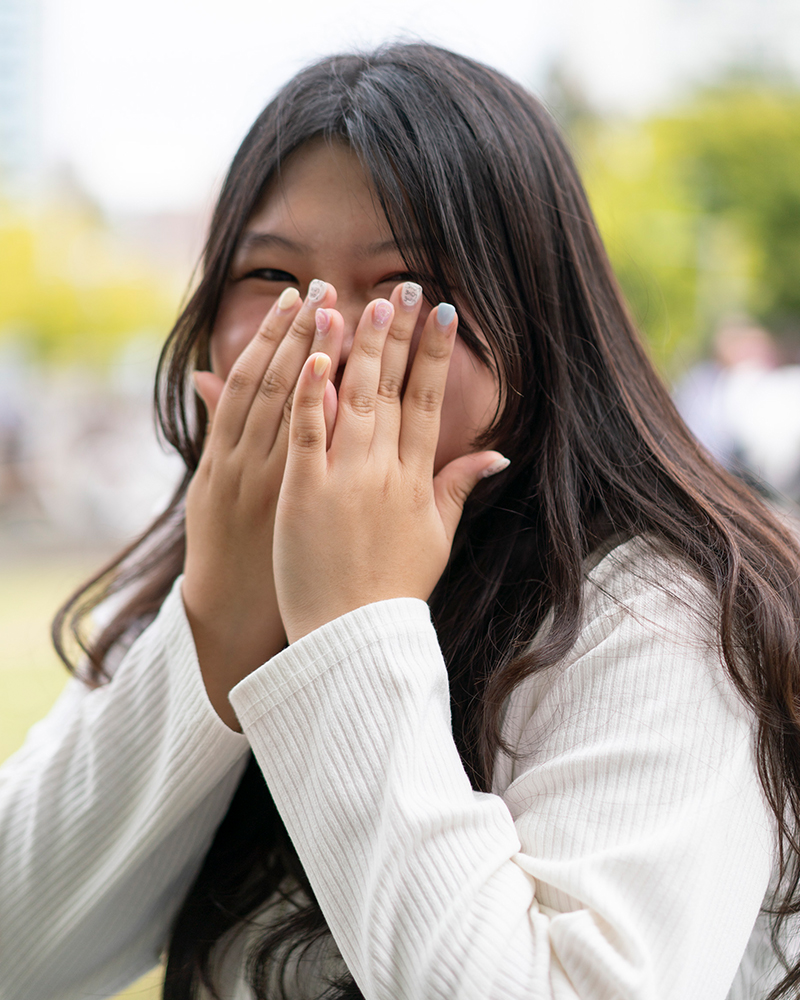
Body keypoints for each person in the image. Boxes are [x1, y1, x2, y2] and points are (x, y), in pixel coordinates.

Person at [1, 42, 799, 1000]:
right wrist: (218, 625)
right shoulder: (214, 566)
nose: (327, 336)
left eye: (407, 288)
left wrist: (347, 623)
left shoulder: (661, 615)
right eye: (272, 278)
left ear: (536, 322)